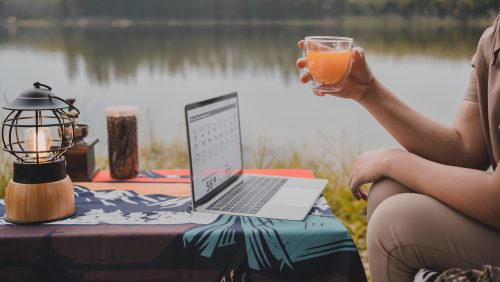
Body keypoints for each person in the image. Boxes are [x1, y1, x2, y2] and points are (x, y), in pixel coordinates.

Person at [296, 15, 500, 282]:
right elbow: (465, 150)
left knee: (392, 224)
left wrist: (395, 161)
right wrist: (366, 91)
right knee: (387, 191)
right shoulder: (493, 37)